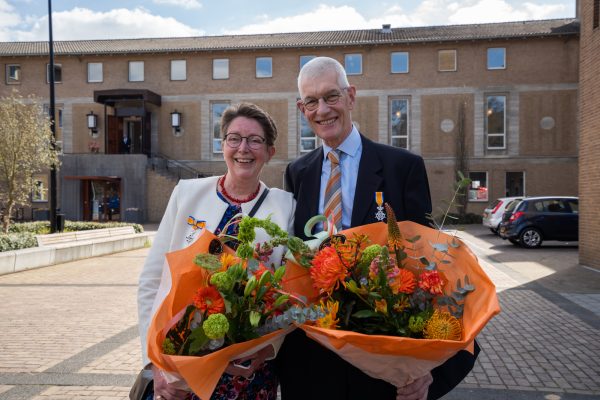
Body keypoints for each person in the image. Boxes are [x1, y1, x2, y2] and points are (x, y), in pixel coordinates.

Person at [278, 56, 479, 400]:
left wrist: (429, 366)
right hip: (312, 364)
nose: (322, 109)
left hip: (381, 365)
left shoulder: (403, 167)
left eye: (331, 96)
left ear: (351, 96)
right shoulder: (297, 173)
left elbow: (431, 266)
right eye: (311, 101)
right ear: (302, 108)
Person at [138, 103, 295, 400]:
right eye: (234, 138)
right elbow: (151, 281)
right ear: (222, 145)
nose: (243, 148)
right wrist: (155, 365)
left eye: (255, 140)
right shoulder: (187, 194)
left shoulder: (284, 207)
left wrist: (266, 348)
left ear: (270, 152)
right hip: (180, 371)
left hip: (249, 373)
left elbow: (289, 292)